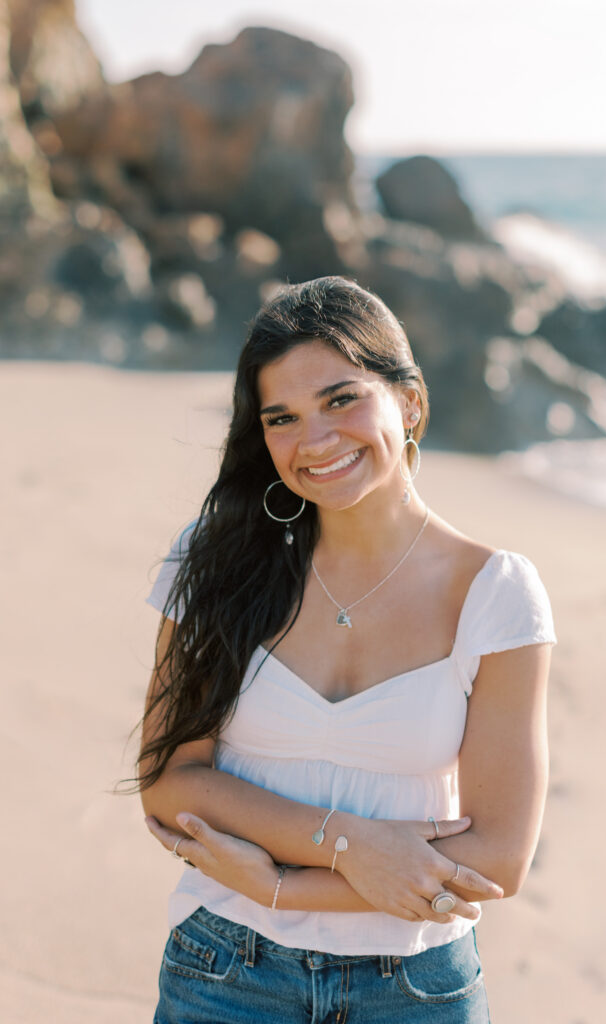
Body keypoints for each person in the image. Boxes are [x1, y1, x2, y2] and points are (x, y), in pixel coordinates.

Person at [139, 276, 556, 1023]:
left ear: (410, 400)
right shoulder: (213, 562)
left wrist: (282, 886)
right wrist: (348, 843)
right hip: (223, 971)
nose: (315, 441)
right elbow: (172, 779)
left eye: (341, 399)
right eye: (282, 418)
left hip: (417, 988)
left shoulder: (494, 594)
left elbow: (495, 859)